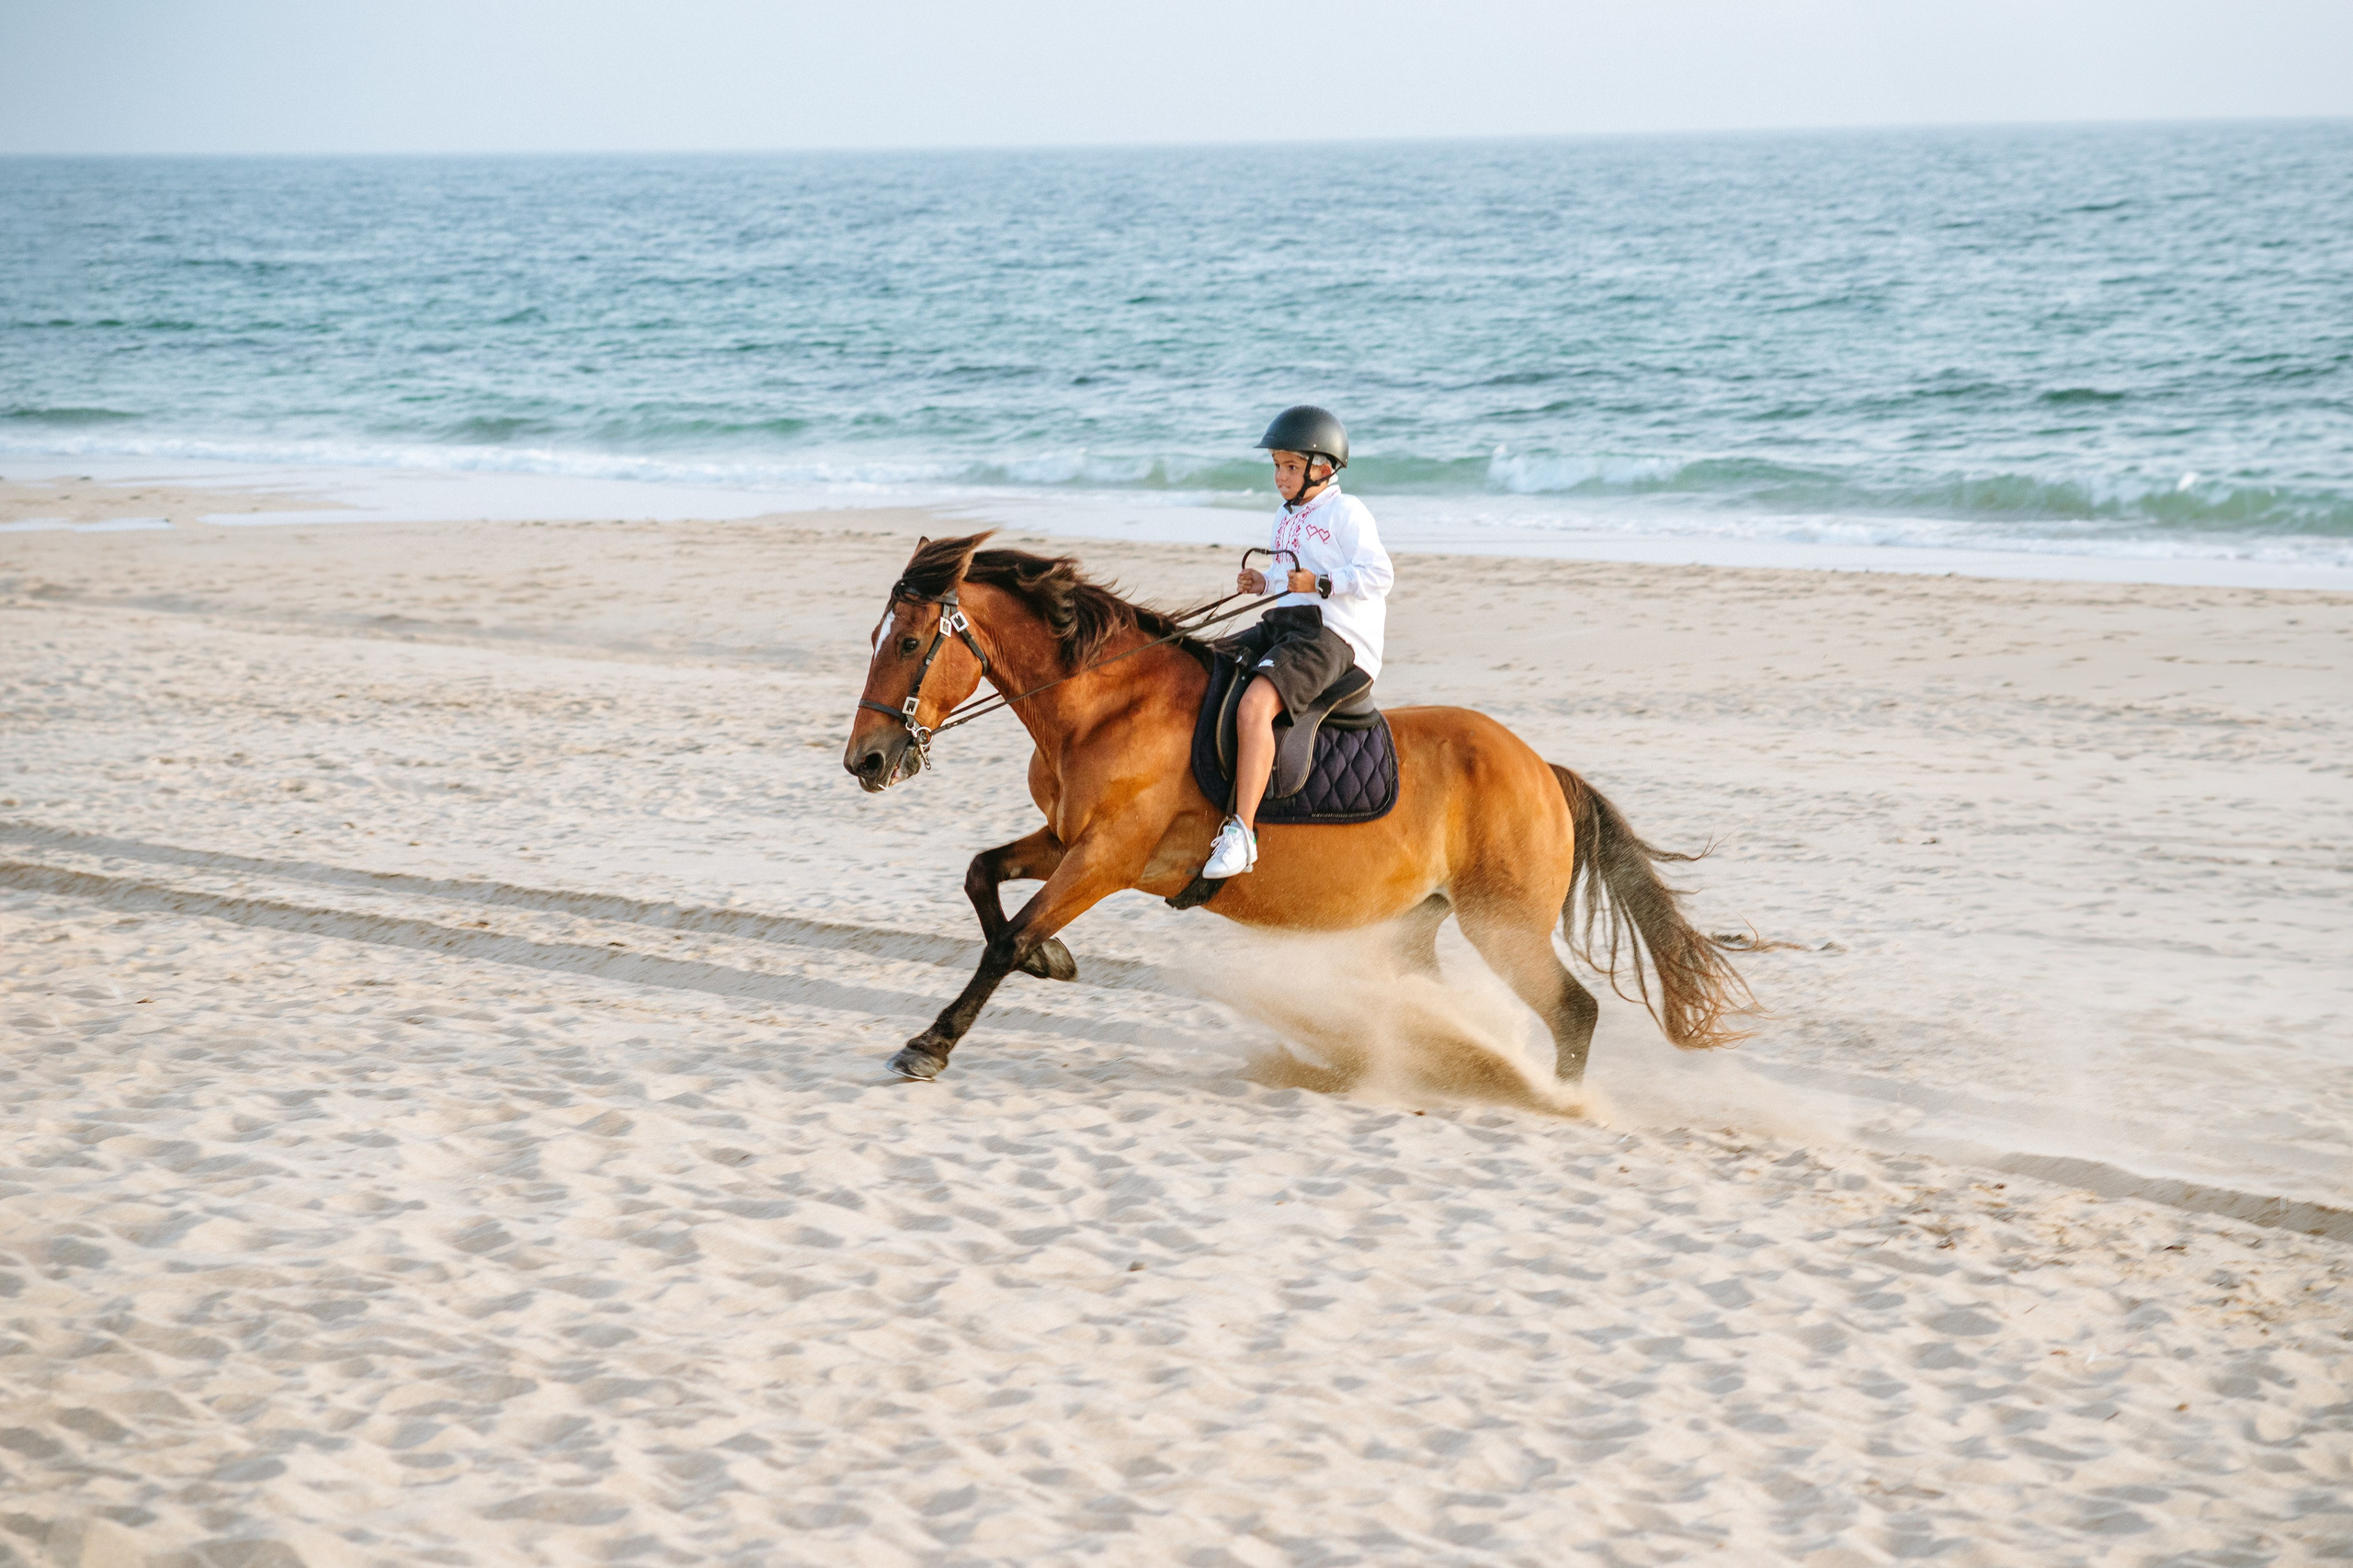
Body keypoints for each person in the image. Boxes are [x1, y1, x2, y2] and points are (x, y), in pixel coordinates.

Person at [1202, 405, 1394, 879]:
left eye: (1290, 467)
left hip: (1334, 636)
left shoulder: (1347, 511)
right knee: (1204, 666)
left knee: (1253, 707)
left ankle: (1242, 834)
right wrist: (1261, 582)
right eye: (1276, 466)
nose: (1280, 477)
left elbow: (1379, 575)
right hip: (1288, 622)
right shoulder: (1284, 518)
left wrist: (1322, 584)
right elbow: (1286, 577)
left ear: (1322, 468)